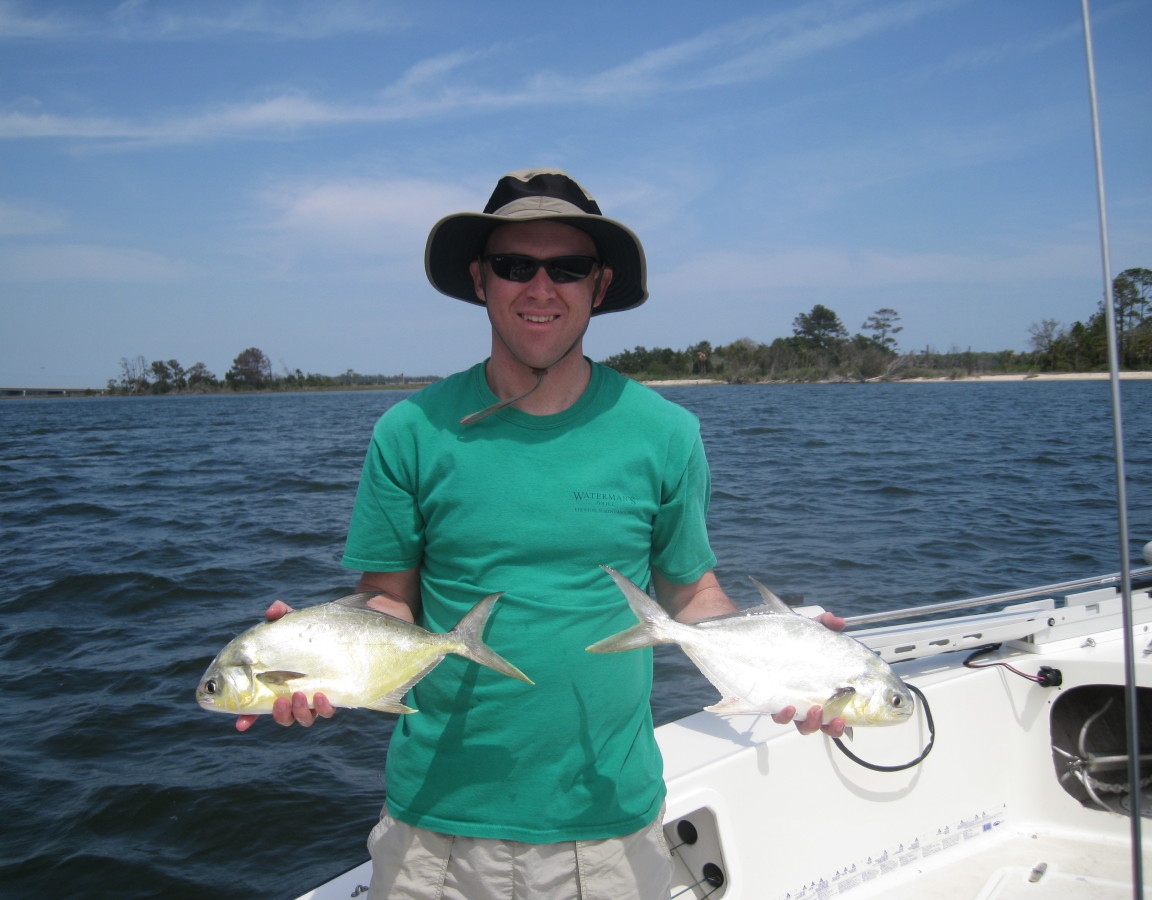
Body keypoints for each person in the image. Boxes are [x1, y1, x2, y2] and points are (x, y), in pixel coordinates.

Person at [238, 168, 845, 900]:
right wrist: (317, 647)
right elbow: (388, 600)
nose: (540, 288)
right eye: (515, 266)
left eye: (568, 268)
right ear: (480, 280)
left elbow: (692, 592)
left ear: (599, 285)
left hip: (610, 826)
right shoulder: (410, 431)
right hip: (437, 830)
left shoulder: (666, 432)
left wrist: (789, 659)